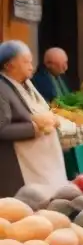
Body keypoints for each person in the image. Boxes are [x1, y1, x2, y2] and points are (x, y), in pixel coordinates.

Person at [0, 40, 67, 197]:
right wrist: (35, 128)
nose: (31, 65)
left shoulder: (26, 84)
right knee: (33, 204)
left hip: (44, 162)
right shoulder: (2, 88)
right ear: (9, 66)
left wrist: (51, 119)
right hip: (21, 166)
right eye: (25, 61)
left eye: (31, 61)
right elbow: (2, 128)